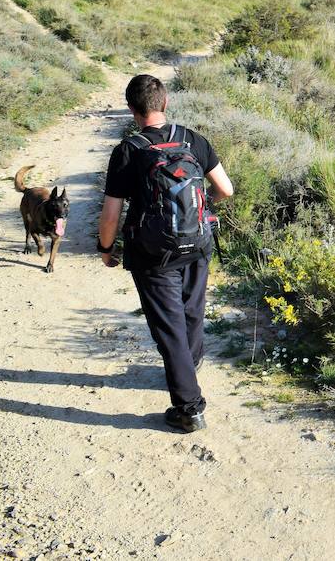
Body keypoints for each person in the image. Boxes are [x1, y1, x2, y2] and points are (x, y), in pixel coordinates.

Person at [97, 74, 234, 433]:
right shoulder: (192, 139)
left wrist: (106, 248)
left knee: (169, 325)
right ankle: (187, 367)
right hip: (198, 243)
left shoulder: (128, 150)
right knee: (191, 312)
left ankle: (189, 408)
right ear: (165, 102)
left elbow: (111, 213)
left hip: (151, 253)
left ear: (131, 110)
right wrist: (204, 212)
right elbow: (225, 189)